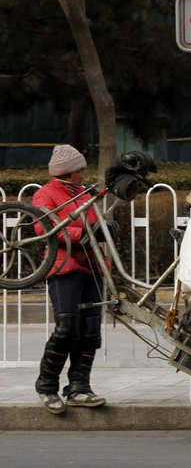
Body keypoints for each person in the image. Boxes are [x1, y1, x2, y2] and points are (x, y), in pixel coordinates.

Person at [33, 144, 107, 414]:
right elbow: (45, 227)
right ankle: (47, 385)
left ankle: (79, 388)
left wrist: (104, 229)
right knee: (66, 329)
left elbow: (94, 223)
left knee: (90, 333)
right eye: (80, 169)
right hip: (64, 270)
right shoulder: (46, 194)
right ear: (68, 172)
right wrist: (83, 235)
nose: (83, 173)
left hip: (93, 269)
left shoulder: (83, 194)